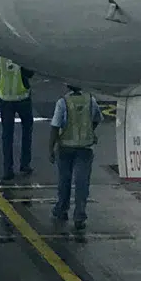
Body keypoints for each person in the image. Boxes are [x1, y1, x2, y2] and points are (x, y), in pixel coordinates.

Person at [49, 81, 102, 231]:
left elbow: (55, 127)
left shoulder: (63, 102)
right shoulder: (90, 100)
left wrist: (50, 149)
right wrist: (90, 132)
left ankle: (61, 209)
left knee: (64, 181)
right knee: (82, 183)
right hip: (85, 148)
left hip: (65, 148)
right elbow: (97, 118)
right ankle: (79, 216)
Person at [0, 55, 35, 181]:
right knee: (27, 130)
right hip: (23, 97)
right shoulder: (20, 54)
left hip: (5, 98)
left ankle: (8, 169)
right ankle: (25, 164)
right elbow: (30, 72)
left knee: (7, 135)